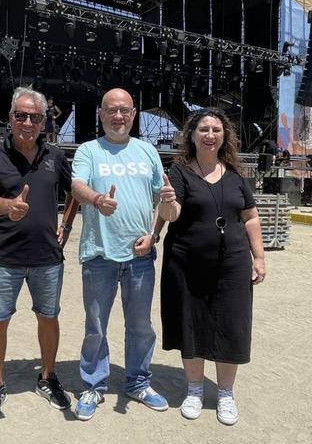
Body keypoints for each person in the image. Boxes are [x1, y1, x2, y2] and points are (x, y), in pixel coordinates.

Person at [156, 108, 267, 426]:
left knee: (231, 325)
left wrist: (258, 257)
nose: (209, 134)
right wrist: (166, 200)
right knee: (190, 323)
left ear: (224, 136)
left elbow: (251, 217)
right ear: (191, 135)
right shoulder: (179, 172)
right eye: (203, 129)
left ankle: (225, 394)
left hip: (232, 265)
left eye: (216, 129)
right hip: (186, 264)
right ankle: (193, 390)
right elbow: (171, 213)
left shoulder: (235, 175)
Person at [0, 87, 78, 422]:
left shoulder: (56, 156)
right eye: (21, 115)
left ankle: (47, 377)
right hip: (3, 257)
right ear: (10, 117)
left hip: (47, 258)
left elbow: (74, 191)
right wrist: (10, 207)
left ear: (44, 121)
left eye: (35, 116)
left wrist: (67, 223)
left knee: (48, 317)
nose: (27, 122)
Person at [70, 87, 173, 421]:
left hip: (139, 256)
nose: (118, 116)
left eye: (124, 110)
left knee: (141, 325)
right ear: (101, 114)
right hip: (99, 253)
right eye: (111, 110)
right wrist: (98, 199)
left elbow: (164, 198)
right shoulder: (89, 150)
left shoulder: (148, 152)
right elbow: (77, 187)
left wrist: (155, 233)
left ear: (133, 114)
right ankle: (93, 385)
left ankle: (138, 382)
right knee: (96, 326)